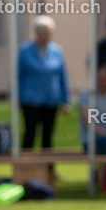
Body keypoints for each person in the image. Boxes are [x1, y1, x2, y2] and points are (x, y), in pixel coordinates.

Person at [18, 15, 70, 149]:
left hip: (51, 99)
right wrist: (18, 97)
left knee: (48, 135)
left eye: (50, 32)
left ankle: (48, 168)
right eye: (46, 32)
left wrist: (65, 100)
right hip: (30, 99)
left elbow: (62, 76)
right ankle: (25, 167)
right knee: (30, 133)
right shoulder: (25, 51)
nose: (49, 35)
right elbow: (19, 76)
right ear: (38, 32)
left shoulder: (57, 51)